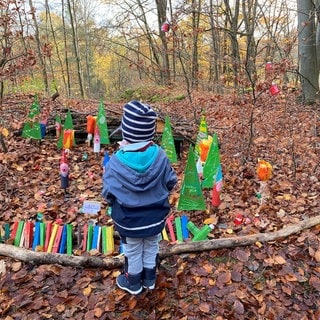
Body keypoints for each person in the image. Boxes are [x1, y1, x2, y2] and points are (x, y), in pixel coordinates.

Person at [102, 100, 177, 295]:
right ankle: (149, 278)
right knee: (151, 245)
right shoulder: (160, 156)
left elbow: (108, 193)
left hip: (129, 220)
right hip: (155, 218)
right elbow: (171, 181)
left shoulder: (116, 161)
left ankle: (133, 282)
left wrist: (116, 202)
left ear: (126, 134)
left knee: (133, 249)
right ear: (150, 133)